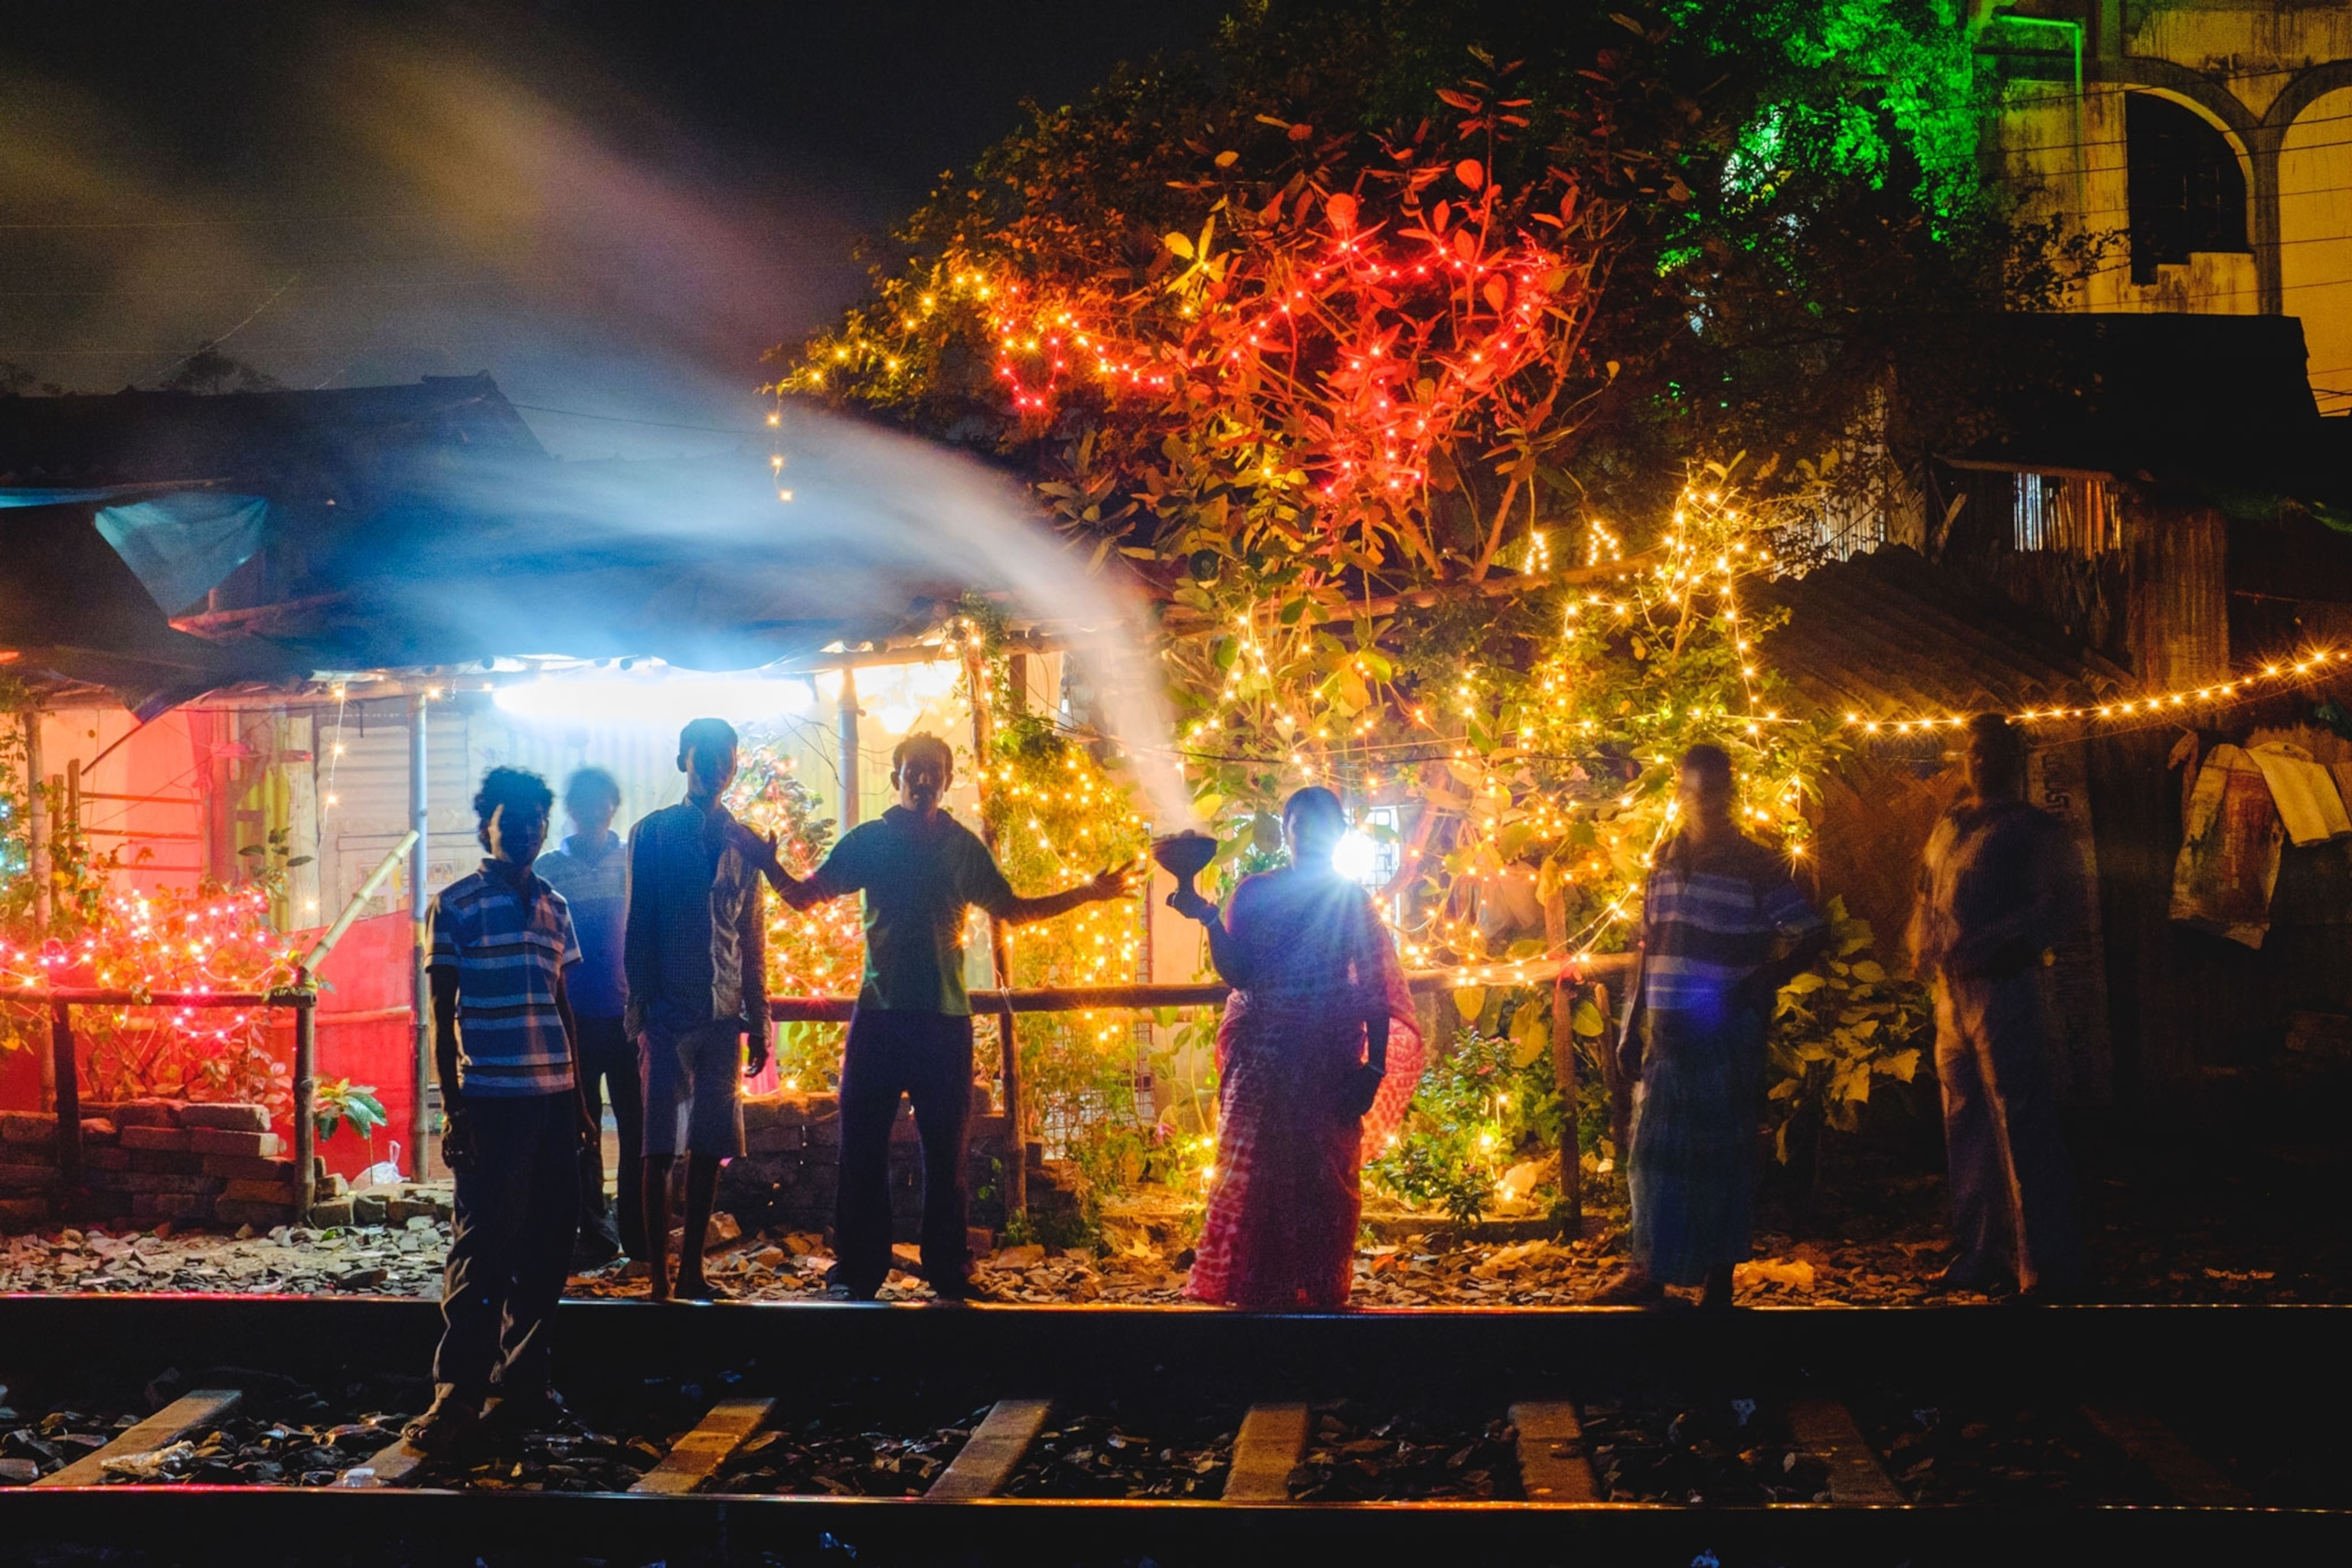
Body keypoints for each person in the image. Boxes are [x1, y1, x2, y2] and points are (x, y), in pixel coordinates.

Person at [750, 732, 1139, 1301]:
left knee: (947, 1155)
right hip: (880, 1018)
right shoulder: (869, 843)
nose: (924, 780)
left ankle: (949, 1272)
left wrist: (1088, 892)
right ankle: (860, 1271)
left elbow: (1013, 909)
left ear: (948, 780)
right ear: (897, 778)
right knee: (860, 1149)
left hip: (944, 1022)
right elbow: (807, 897)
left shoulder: (962, 848)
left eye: (934, 771)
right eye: (914, 770)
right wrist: (767, 863)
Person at [1168, 786, 1424, 1311]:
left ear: (1337, 835)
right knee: (1258, 1180)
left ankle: (1322, 1302)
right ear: (1285, 832)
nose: (1306, 832)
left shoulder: (1351, 900)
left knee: (1324, 1180)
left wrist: (1373, 1066)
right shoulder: (1256, 892)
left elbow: (1374, 987)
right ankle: (1259, 1302)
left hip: (1328, 1058)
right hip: (1263, 1058)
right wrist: (1210, 919)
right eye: (1297, 823)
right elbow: (1239, 972)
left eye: (1318, 823)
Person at [1596, 744, 1826, 1310]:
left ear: (1729, 792)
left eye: (1714, 790)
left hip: (1727, 1033)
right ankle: (1649, 1271)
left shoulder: (1758, 864)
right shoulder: (1664, 860)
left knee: (1720, 1156)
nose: (1703, 801)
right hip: (1667, 1034)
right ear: (1680, 791)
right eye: (1693, 789)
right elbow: (1649, 947)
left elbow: (1814, 933)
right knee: (1653, 1157)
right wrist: (1632, 1024)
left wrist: (1762, 981)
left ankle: (1718, 1282)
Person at [405, 766, 593, 1450]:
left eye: (537, 820)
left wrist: (578, 1101)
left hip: (552, 1103)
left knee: (547, 1251)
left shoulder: (556, 907)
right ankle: (456, 1396)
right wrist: (453, 1111)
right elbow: (441, 1010)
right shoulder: (454, 905)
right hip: (491, 1101)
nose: (525, 830)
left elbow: (562, 1006)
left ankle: (526, 1387)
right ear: (487, 823)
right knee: (483, 1252)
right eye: (512, 819)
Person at [1908, 713, 2086, 1300]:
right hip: (1950, 992)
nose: (1980, 760)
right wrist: (1920, 939)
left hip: (2003, 987)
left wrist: (1996, 939)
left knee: (2020, 1119)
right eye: (1974, 750)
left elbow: (2057, 908)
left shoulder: (2034, 830)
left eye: (1992, 751)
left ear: (2015, 758)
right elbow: (1926, 892)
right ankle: (1979, 1251)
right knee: (1965, 1122)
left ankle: (2041, 1263)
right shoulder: (1952, 820)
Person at [625, 719, 770, 1302]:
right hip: (668, 1012)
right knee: (659, 1147)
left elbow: (752, 937)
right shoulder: (654, 834)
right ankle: (660, 1278)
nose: (714, 766)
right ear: (681, 759)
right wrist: (641, 1009)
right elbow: (639, 928)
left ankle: (692, 1272)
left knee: (710, 1146)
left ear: (735, 764)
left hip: (723, 1012)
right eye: (703, 756)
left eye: (725, 758)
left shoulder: (746, 841)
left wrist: (757, 1017)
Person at [535, 767, 640, 1268]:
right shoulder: (550, 870)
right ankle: (596, 1231)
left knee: (639, 1128)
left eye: (603, 802)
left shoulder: (632, 861)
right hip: (570, 1021)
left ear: (613, 807)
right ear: (572, 810)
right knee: (583, 1130)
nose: (595, 810)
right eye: (585, 803)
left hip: (628, 1018)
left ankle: (640, 1231)